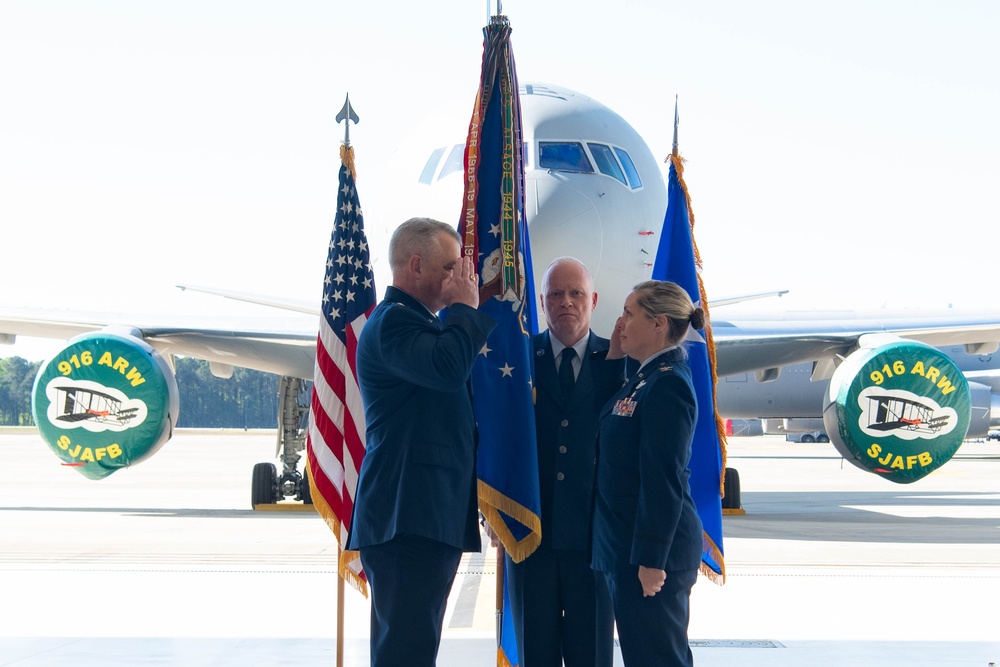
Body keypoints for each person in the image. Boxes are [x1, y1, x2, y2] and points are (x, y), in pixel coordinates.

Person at [346, 217, 497, 667]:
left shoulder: (416, 322)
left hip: (422, 515)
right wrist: (466, 309)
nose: (459, 277)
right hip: (406, 516)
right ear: (416, 266)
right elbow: (448, 368)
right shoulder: (394, 323)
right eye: (450, 267)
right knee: (406, 651)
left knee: (413, 645)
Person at [507, 257, 623, 667]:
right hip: (529, 534)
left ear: (592, 300)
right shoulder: (518, 360)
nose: (566, 302)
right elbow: (497, 436)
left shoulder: (619, 363)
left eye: (576, 294)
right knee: (534, 653)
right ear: (541, 302)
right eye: (556, 294)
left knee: (590, 653)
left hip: (594, 539)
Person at [590, 280, 705, 667]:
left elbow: (664, 479)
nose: (620, 322)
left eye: (629, 313)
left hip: (652, 555)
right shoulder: (645, 377)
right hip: (627, 548)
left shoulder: (668, 384)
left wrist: (653, 559)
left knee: (658, 658)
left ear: (658, 324)